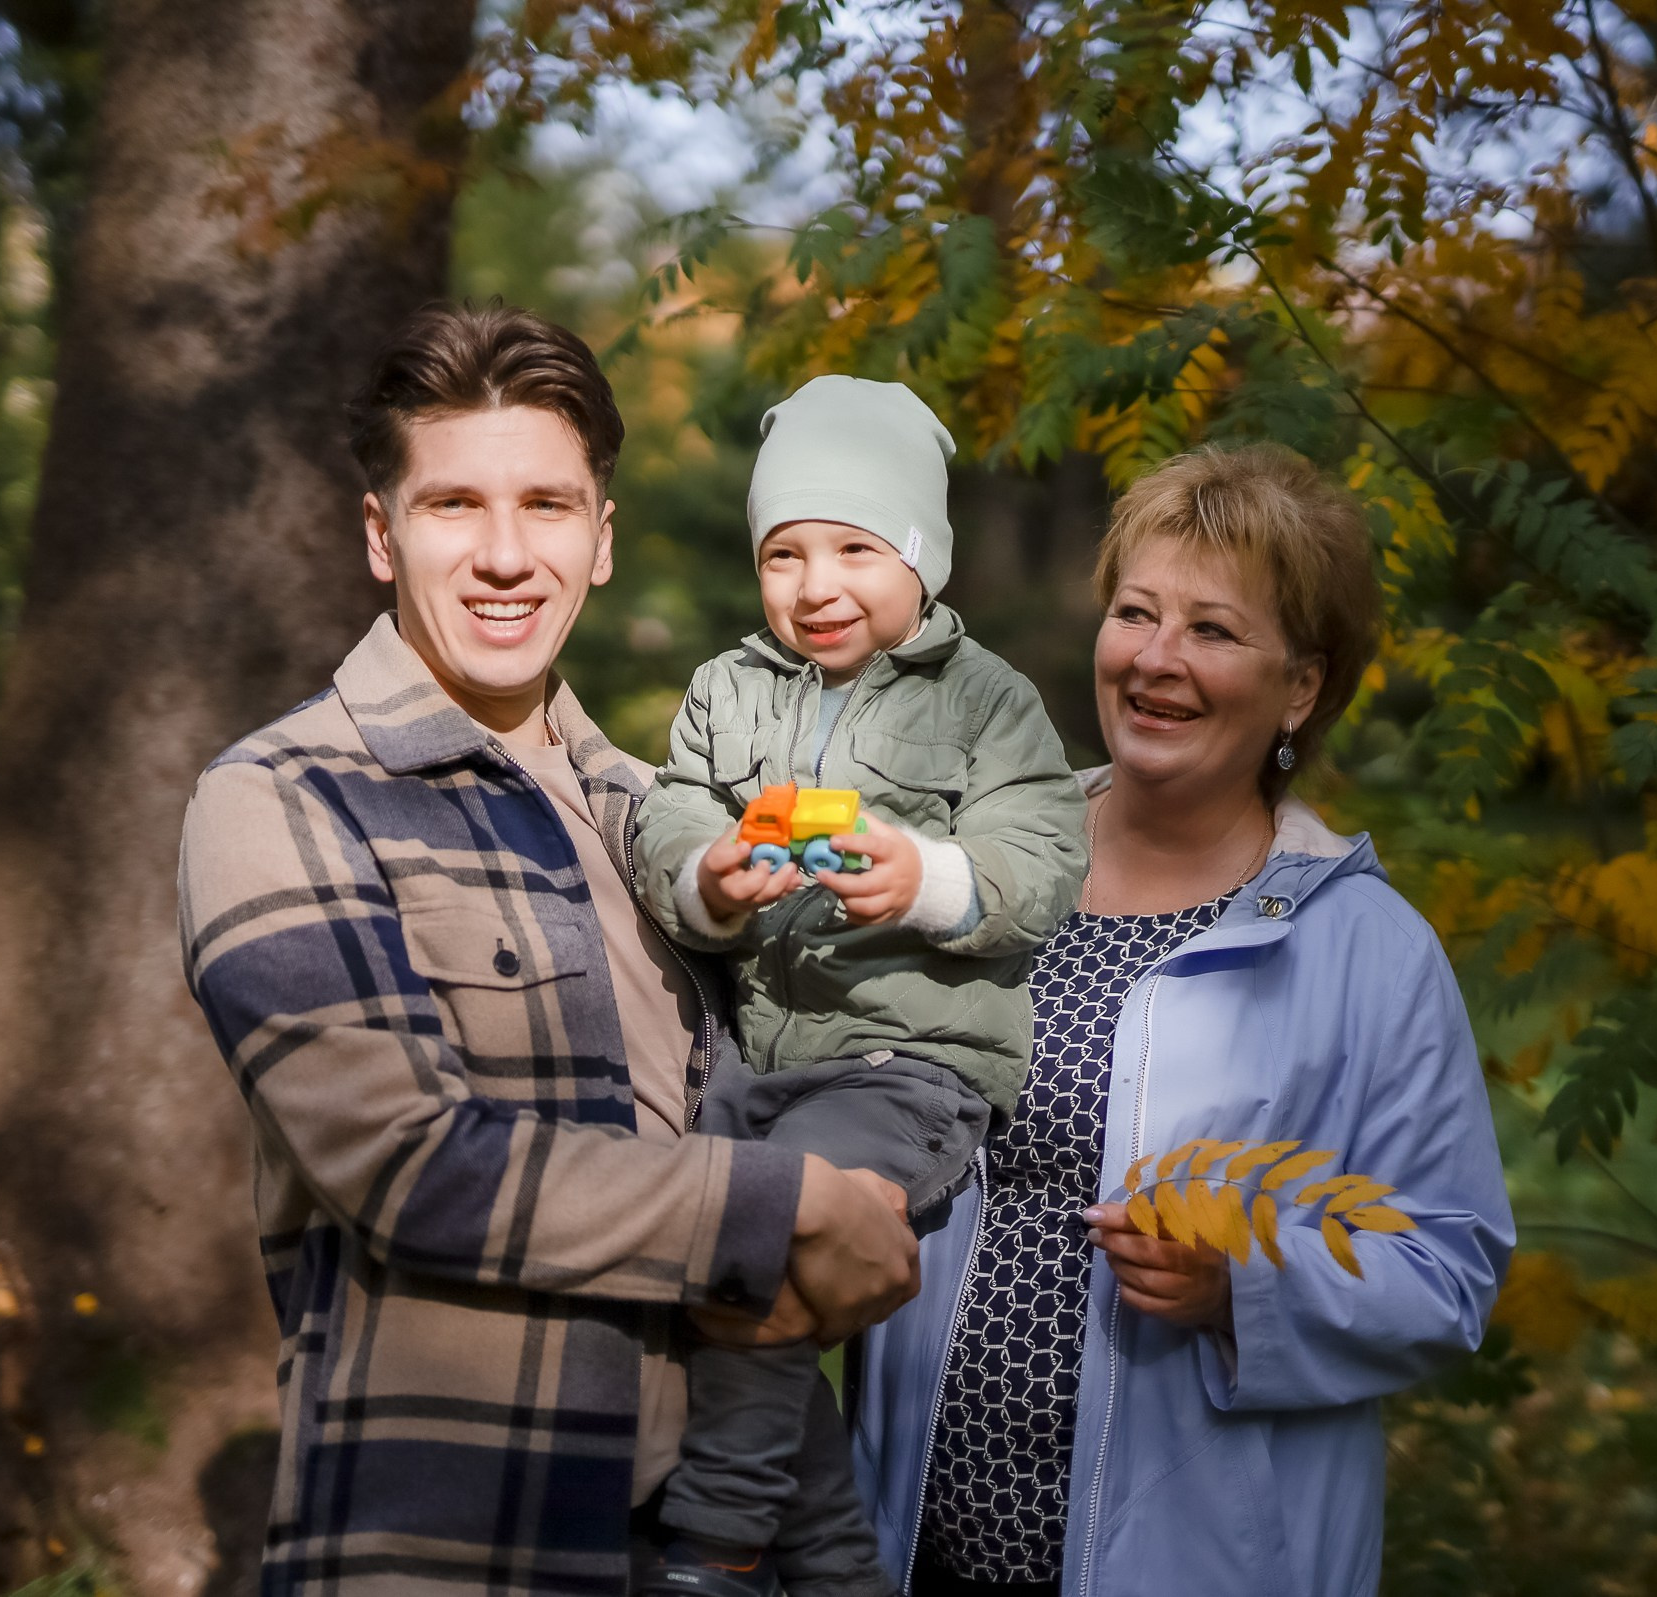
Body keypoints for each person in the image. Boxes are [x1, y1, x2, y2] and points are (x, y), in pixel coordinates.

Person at [176, 302, 922, 1597]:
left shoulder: (664, 820)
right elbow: (410, 1165)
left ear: (603, 540)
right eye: (455, 504)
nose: (506, 556)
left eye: (549, 506)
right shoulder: (281, 797)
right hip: (457, 1539)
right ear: (381, 534)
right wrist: (783, 1205)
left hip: (718, 1545)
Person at [850, 444, 1517, 1596]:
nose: (1158, 659)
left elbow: (1446, 1268)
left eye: (1213, 630)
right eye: (1137, 613)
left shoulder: (1370, 950)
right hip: (904, 1546)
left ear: (1300, 686)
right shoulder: (978, 865)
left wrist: (1242, 1288)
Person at [630, 376, 1090, 1596]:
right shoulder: (730, 689)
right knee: (731, 1279)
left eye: (855, 547)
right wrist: (710, 878)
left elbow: (1041, 855)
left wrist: (930, 879)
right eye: (784, 552)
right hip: (760, 1058)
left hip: (909, 1064)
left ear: (923, 558)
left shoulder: (983, 700)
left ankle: (716, 1540)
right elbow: (671, 808)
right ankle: (838, 1566)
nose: (815, 583)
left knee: (772, 1240)